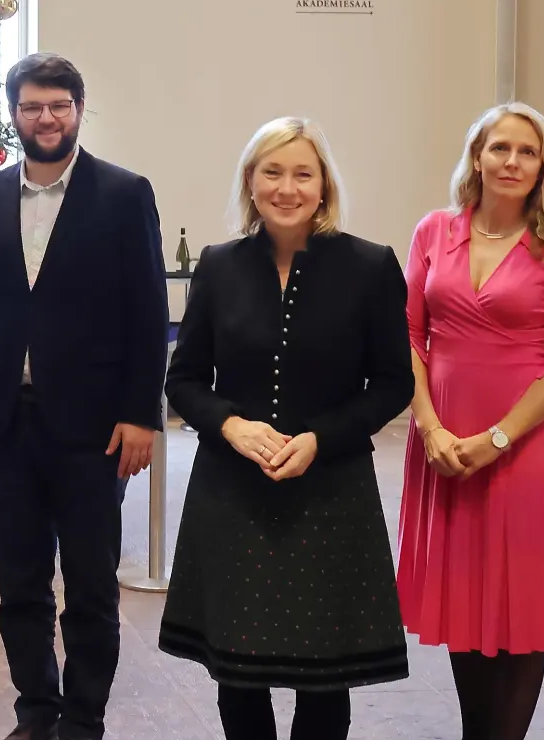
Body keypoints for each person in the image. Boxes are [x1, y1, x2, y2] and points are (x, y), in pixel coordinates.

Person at [160, 117, 413, 740]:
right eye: (272, 171)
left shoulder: (371, 266)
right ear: (250, 181)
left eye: (303, 173)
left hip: (329, 488)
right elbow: (184, 380)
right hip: (233, 490)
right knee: (237, 673)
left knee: (324, 675)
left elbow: (392, 383)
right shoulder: (218, 267)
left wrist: (322, 438)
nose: (287, 187)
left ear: (324, 185)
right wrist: (231, 426)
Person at [0, 53, 168, 740]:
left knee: (93, 588)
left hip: (95, 427)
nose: (47, 118)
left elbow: (146, 313)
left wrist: (140, 414)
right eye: (33, 106)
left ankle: (84, 716)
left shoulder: (125, 195)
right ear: (13, 113)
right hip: (2, 425)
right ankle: (36, 709)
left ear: (78, 110)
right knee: (20, 584)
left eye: (60, 105)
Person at [396, 102, 544, 740]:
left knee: (518, 612)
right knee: (466, 605)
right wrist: (429, 425)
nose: (512, 161)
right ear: (477, 156)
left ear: (543, 169)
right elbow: (408, 334)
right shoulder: (434, 231)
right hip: (443, 444)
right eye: (500, 148)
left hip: (525, 449)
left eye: (527, 152)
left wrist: (496, 439)